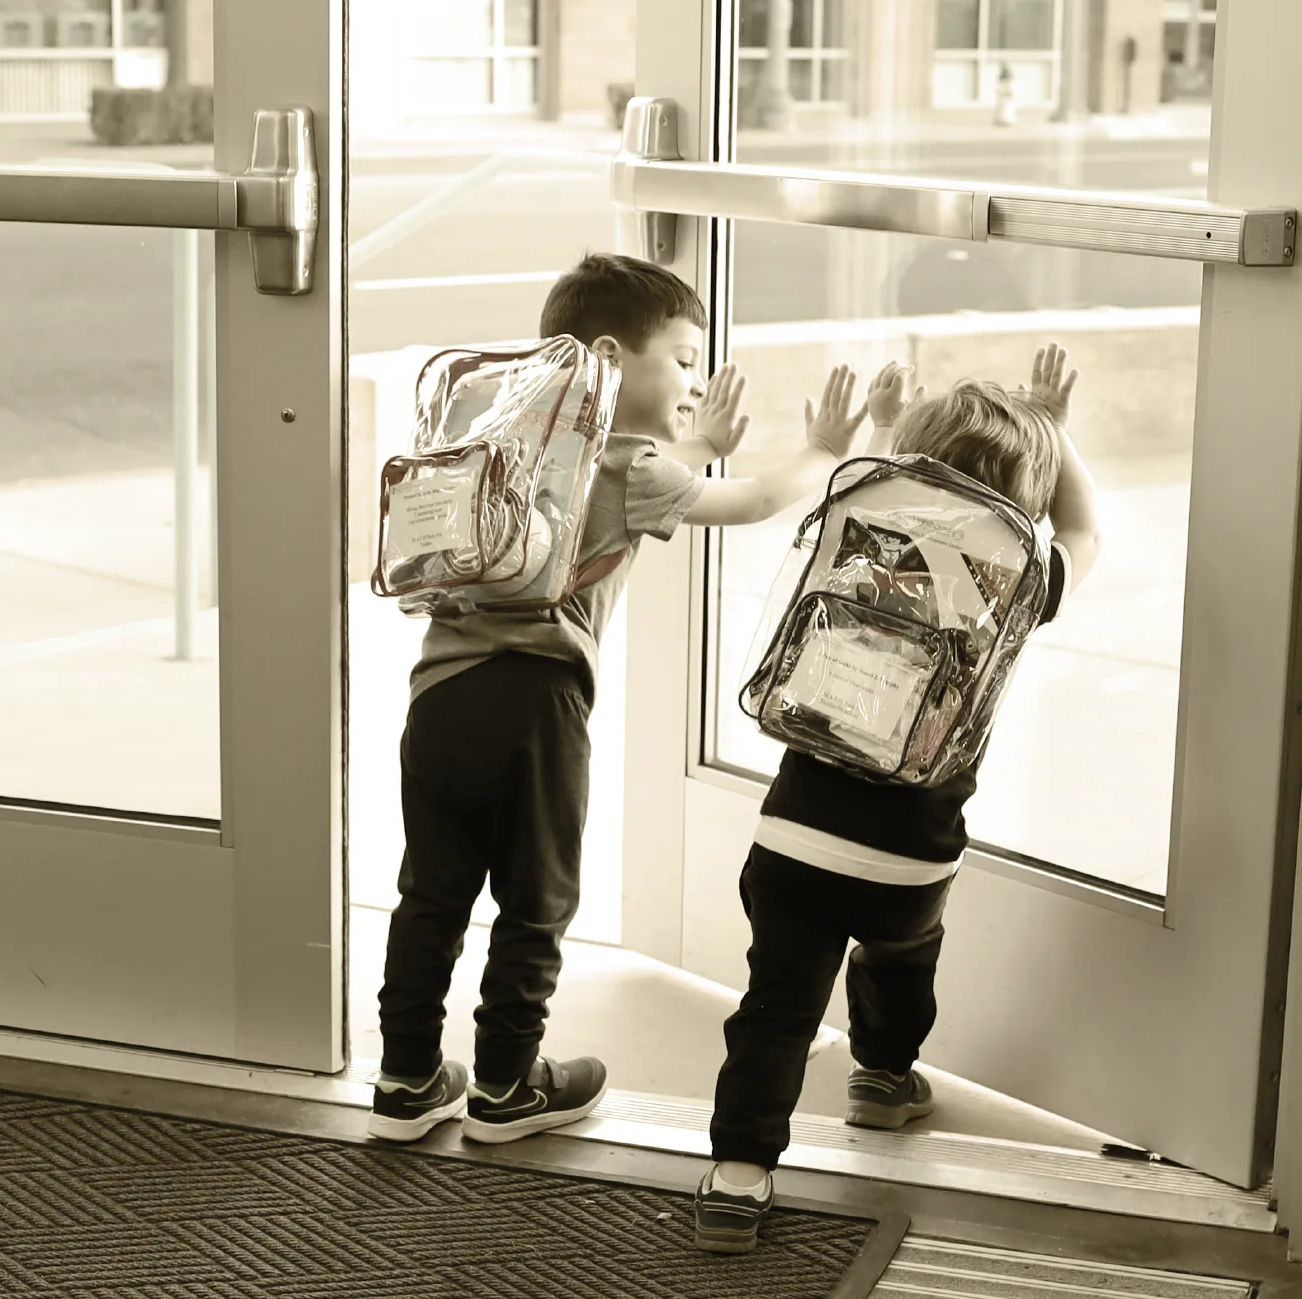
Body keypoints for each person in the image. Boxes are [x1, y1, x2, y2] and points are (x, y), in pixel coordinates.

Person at [369, 253, 871, 1146]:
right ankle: (505, 1083)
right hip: (537, 706)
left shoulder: (501, 434)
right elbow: (752, 500)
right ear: (609, 354)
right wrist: (823, 450)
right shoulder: (635, 463)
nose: (693, 378)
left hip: (438, 698)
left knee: (432, 892)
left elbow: (636, 474)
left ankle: (407, 1076)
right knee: (537, 900)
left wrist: (701, 440)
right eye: (681, 358)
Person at [692, 345, 1103, 1253]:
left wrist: (887, 438)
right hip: (914, 850)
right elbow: (1087, 531)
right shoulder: (1019, 583)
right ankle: (882, 1077)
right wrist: (1057, 432)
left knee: (777, 1005)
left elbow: (891, 499)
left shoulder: (856, 531)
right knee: (899, 962)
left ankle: (738, 1175)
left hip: (796, 835)